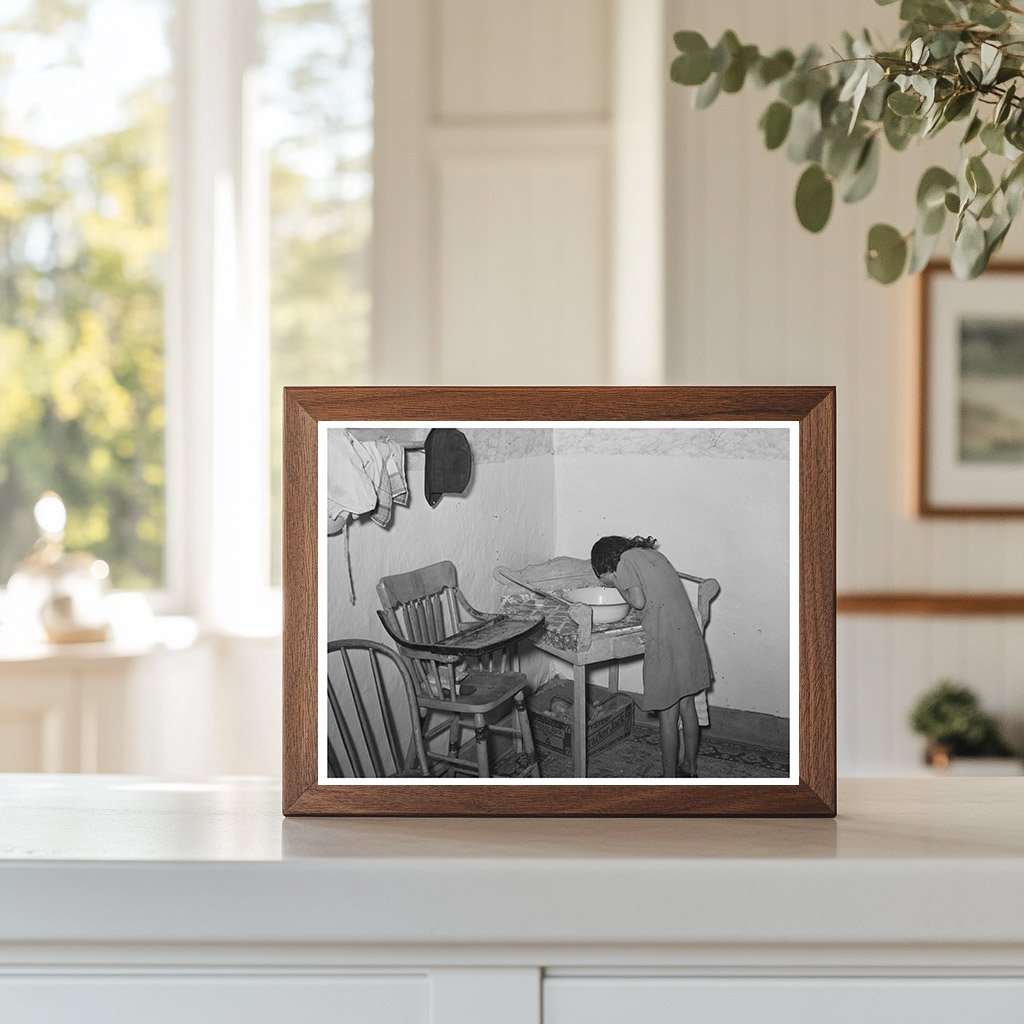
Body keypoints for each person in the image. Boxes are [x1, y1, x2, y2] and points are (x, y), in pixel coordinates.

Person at [590, 535, 711, 778]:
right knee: (687, 705)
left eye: (601, 577)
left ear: (604, 566)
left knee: (668, 713)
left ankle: (668, 779)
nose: (604, 582)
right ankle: (690, 766)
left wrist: (618, 585)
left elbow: (637, 600)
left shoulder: (624, 563)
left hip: (666, 642)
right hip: (689, 636)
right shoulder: (650, 554)